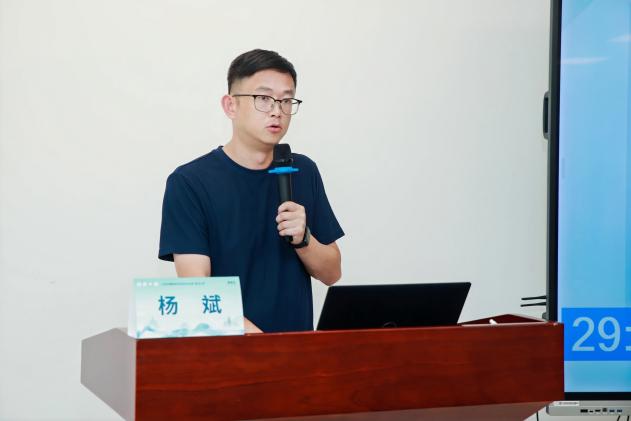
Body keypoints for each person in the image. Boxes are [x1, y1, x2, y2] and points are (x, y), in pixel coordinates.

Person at [158, 49, 344, 333]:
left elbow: (332, 273)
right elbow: (197, 289)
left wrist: (304, 238)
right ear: (230, 106)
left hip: (298, 349)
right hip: (231, 351)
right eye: (263, 98)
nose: (277, 110)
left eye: (286, 100)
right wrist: (264, 345)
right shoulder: (190, 182)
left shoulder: (303, 171)